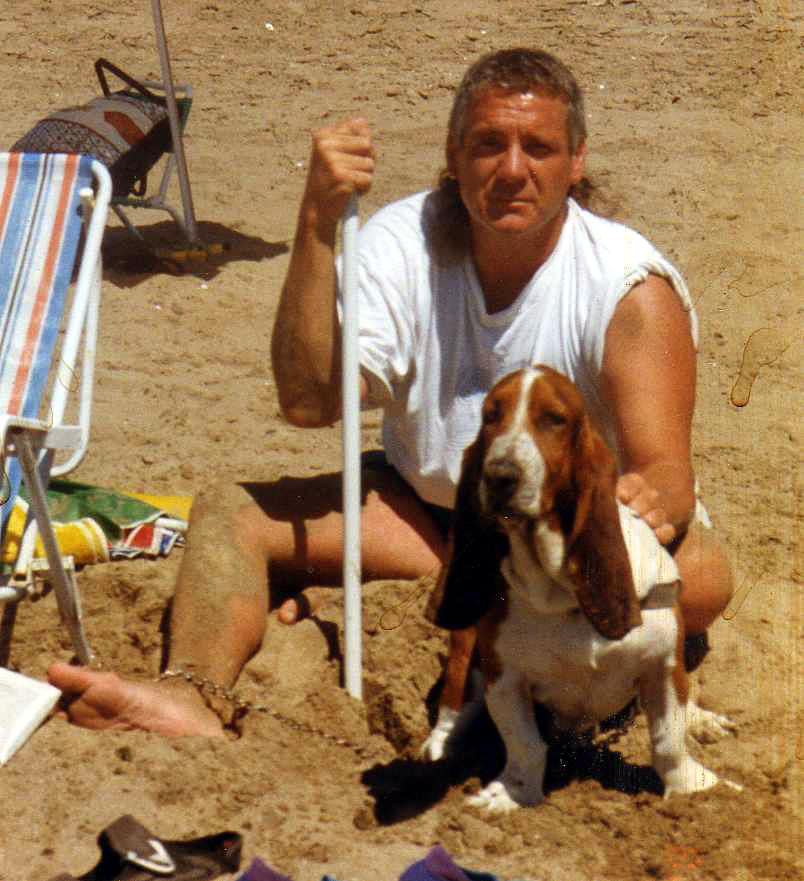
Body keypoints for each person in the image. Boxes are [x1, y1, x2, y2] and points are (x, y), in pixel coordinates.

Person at [48, 48, 733, 738]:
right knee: (232, 512)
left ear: (576, 161)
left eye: (539, 148)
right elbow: (310, 402)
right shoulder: (404, 242)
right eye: (488, 144)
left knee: (702, 578)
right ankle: (191, 692)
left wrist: (637, 506)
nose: (512, 169)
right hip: (430, 520)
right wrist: (316, 225)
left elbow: (667, 474)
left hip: (567, 533)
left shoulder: (627, 286)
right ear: (454, 155)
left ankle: (497, 627)